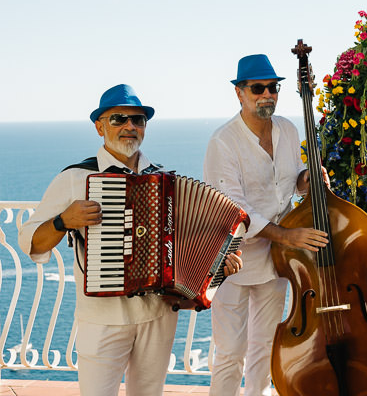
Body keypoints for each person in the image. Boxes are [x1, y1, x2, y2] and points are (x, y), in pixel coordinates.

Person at [18, 84, 242, 396]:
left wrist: (220, 267)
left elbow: (189, 251)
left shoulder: (165, 182)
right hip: (102, 320)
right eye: (118, 119)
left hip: (158, 316)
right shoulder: (74, 178)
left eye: (138, 120)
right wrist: (62, 221)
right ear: (99, 127)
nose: (129, 126)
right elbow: (31, 242)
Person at [204, 54, 329, 396]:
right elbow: (234, 208)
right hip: (232, 259)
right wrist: (287, 235)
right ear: (239, 93)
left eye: (273, 87)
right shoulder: (223, 141)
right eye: (258, 88)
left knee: (265, 347)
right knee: (230, 353)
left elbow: (291, 184)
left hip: (274, 260)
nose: (267, 94)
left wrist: (309, 179)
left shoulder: (288, 130)